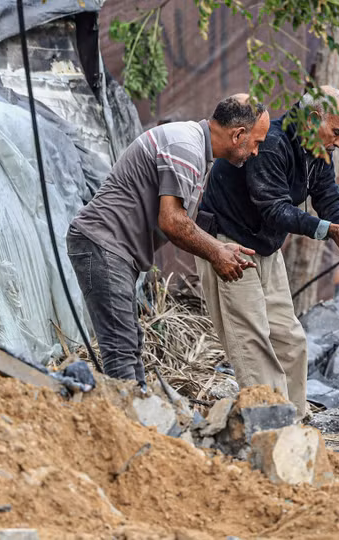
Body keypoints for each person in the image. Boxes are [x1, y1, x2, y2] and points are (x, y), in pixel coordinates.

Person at [67, 94, 270, 387]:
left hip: (113, 250)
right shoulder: (184, 146)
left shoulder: (196, 151)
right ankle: (126, 424)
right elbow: (173, 221)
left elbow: (181, 221)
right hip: (103, 244)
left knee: (128, 342)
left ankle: (138, 415)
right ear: (238, 134)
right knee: (121, 348)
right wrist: (215, 252)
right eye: (257, 142)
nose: (256, 152)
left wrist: (219, 247)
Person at [196, 86, 339, 418]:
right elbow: (274, 209)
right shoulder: (272, 144)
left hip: (264, 247)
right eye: (336, 132)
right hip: (228, 243)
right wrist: (327, 230)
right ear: (313, 119)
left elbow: (327, 192)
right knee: (253, 344)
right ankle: (271, 427)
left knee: (290, 341)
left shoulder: (317, 149)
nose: (338, 142)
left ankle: (296, 422)